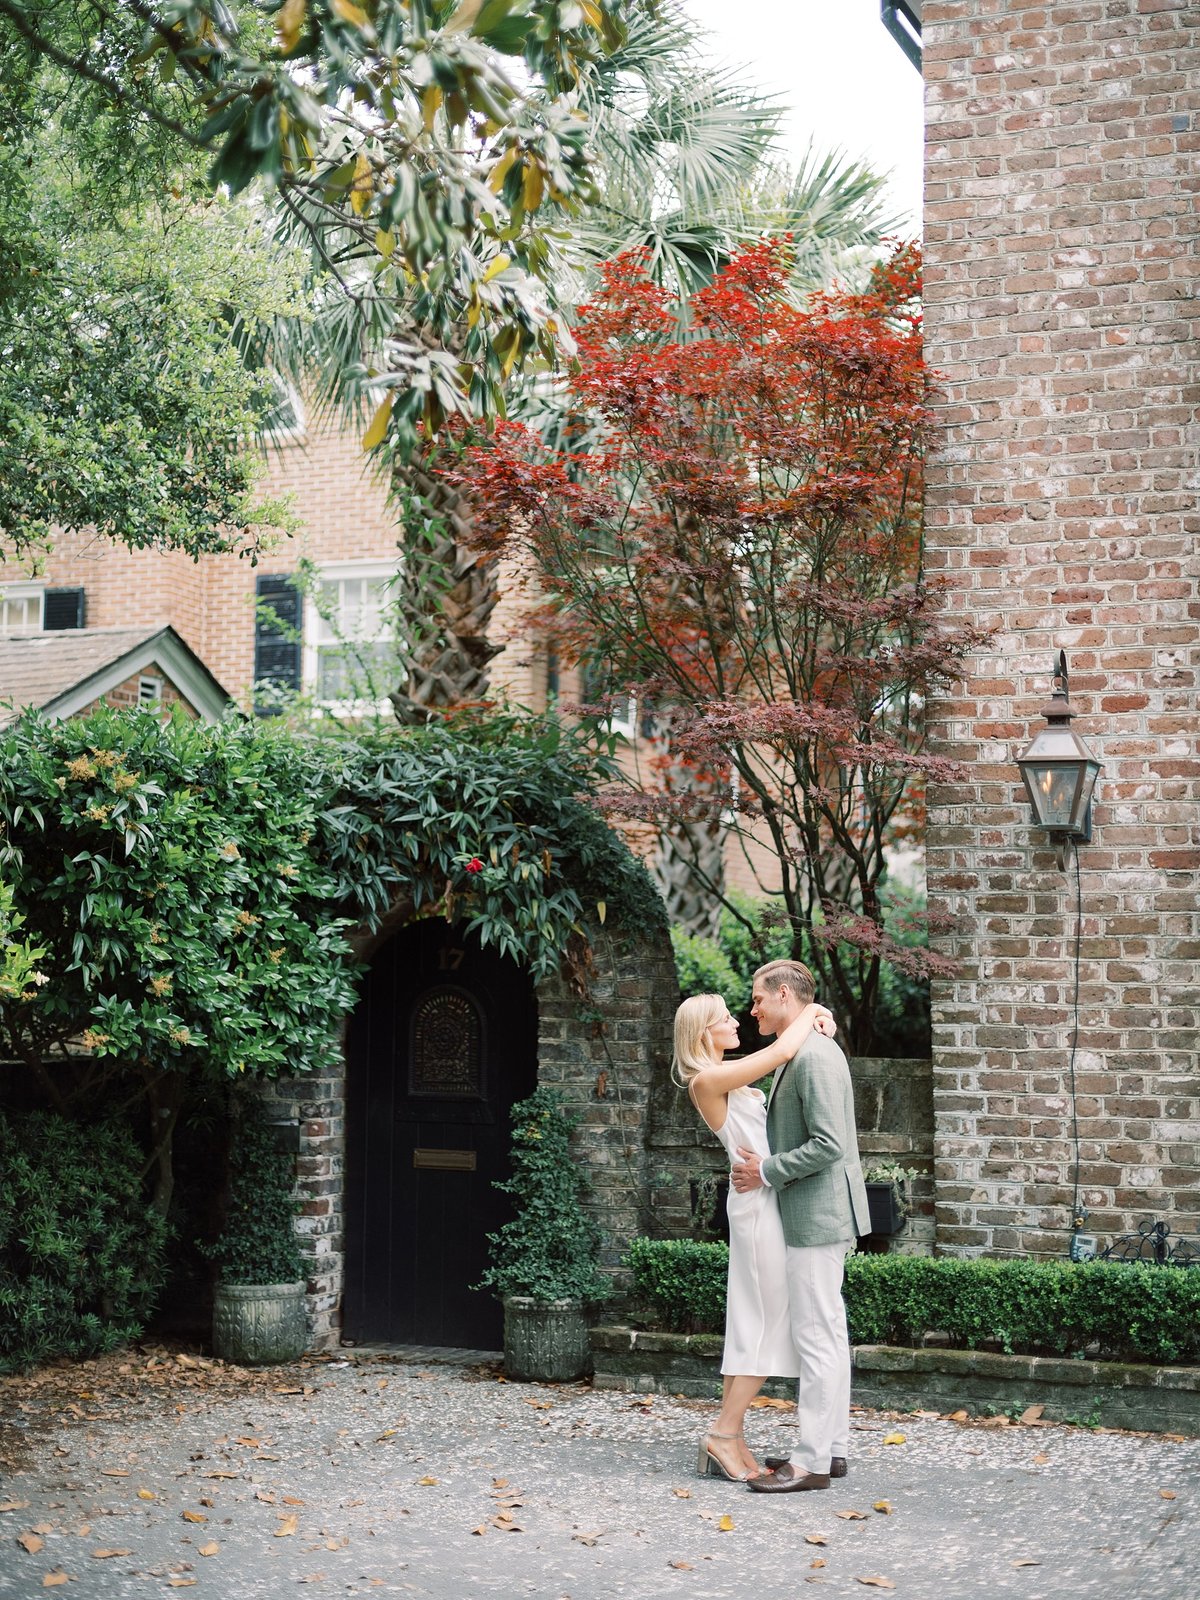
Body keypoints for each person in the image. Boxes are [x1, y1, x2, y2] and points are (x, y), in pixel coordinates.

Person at [672, 990, 838, 1483]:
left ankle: (733, 1436)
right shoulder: (706, 1079)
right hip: (758, 1206)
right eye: (726, 1018)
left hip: (760, 1195)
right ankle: (723, 1433)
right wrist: (814, 1009)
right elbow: (783, 1051)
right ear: (705, 1032)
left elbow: (782, 1049)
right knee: (767, 1324)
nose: (738, 1021)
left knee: (751, 1323)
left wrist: (818, 1018)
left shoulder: (727, 1075)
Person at [731, 959, 871, 1494]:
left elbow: (828, 1144)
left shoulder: (812, 1056)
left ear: (784, 995)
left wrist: (765, 1171)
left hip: (816, 1214)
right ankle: (832, 1448)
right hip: (823, 1210)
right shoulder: (810, 1046)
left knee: (816, 1338)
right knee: (828, 1335)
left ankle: (810, 1462)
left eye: (758, 998)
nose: (753, 1008)